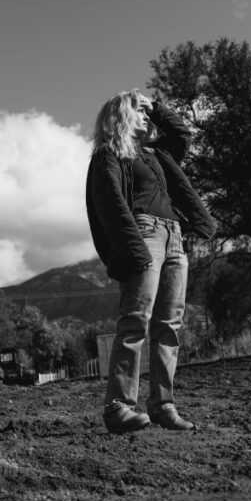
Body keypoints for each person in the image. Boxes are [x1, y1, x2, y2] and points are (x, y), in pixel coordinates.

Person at [86, 89, 216, 434]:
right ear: (122, 117)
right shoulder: (109, 155)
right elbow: (111, 204)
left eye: (147, 113)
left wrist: (155, 106)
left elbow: (182, 134)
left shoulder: (158, 154)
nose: (147, 118)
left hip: (175, 237)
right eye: (139, 112)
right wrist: (136, 250)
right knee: (134, 322)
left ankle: (162, 406)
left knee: (169, 326)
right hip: (143, 235)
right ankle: (119, 407)